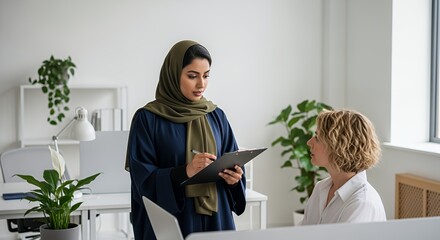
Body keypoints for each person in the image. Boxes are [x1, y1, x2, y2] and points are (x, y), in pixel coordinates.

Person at [125, 40, 246, 240]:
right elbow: (142, 181)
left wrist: (234, 181)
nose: (201, 84)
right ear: (173, 74)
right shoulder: (148, 119)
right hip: (174, 223)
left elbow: (231, 160)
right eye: (192, 76)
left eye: (206, 76)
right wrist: (186, 172)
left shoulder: (217, 116)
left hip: (217, 222)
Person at [300, 109, 386, 225]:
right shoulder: (321, 188)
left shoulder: (362, 203)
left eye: (317, 137)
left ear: (338, 146)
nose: (309, 142)